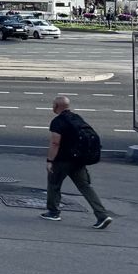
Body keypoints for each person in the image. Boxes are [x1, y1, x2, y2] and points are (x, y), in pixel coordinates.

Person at [43, 95, 113, 228]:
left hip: (63, 160)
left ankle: (53, 212)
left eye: (53, 105)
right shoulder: (78, 118)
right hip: (79, 160)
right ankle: (102, 215)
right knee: (85, 186)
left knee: (54, 184)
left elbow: (55, 143)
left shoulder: (57, 122)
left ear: (56, 107)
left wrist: (49, 160)